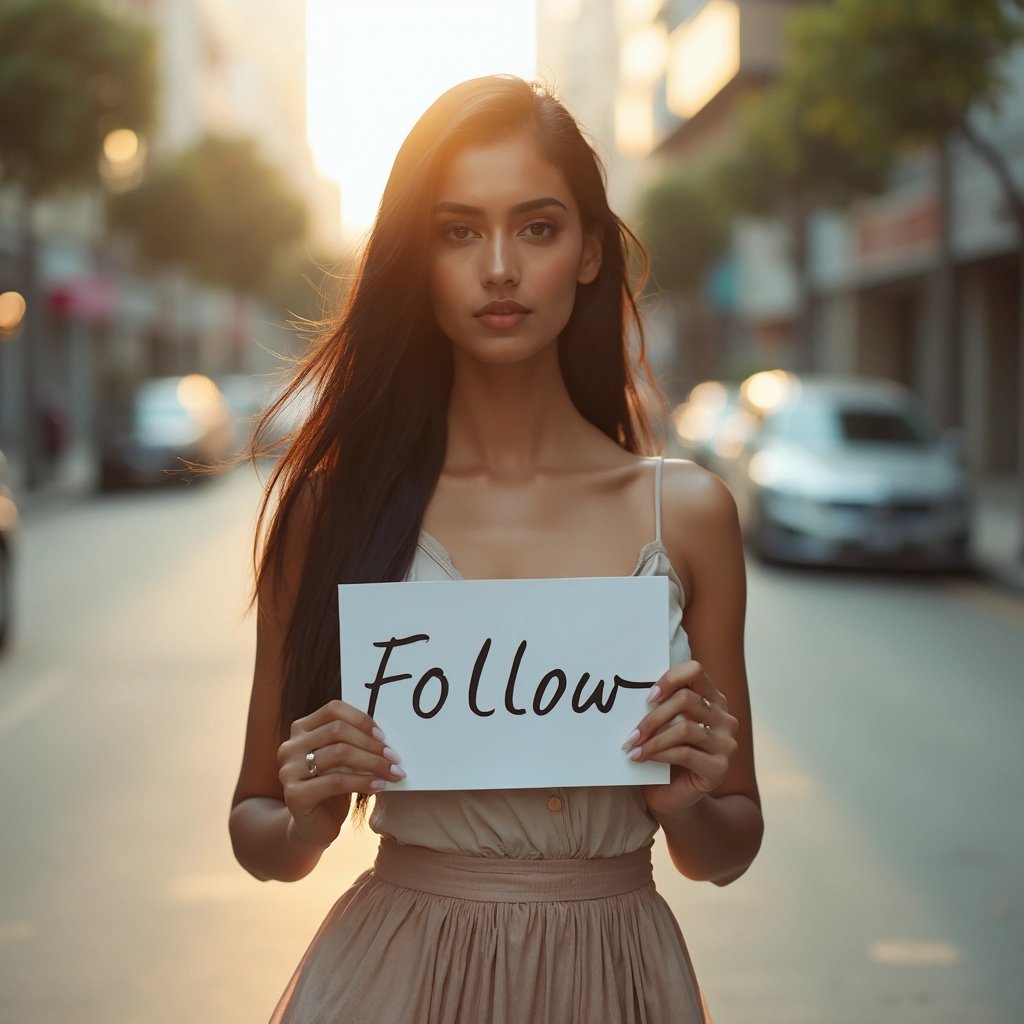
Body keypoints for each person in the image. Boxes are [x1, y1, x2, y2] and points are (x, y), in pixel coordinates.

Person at [229, 75, 762, 1023]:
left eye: (539, 227)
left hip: (616, 978)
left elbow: (727, 848)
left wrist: (691, 798)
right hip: (395, 978)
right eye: (459, 230)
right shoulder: (332, 510)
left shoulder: (686, 513)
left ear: (590, 250)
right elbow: (256, 828)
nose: (501, 267)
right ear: (417, 257)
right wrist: (305, 816)